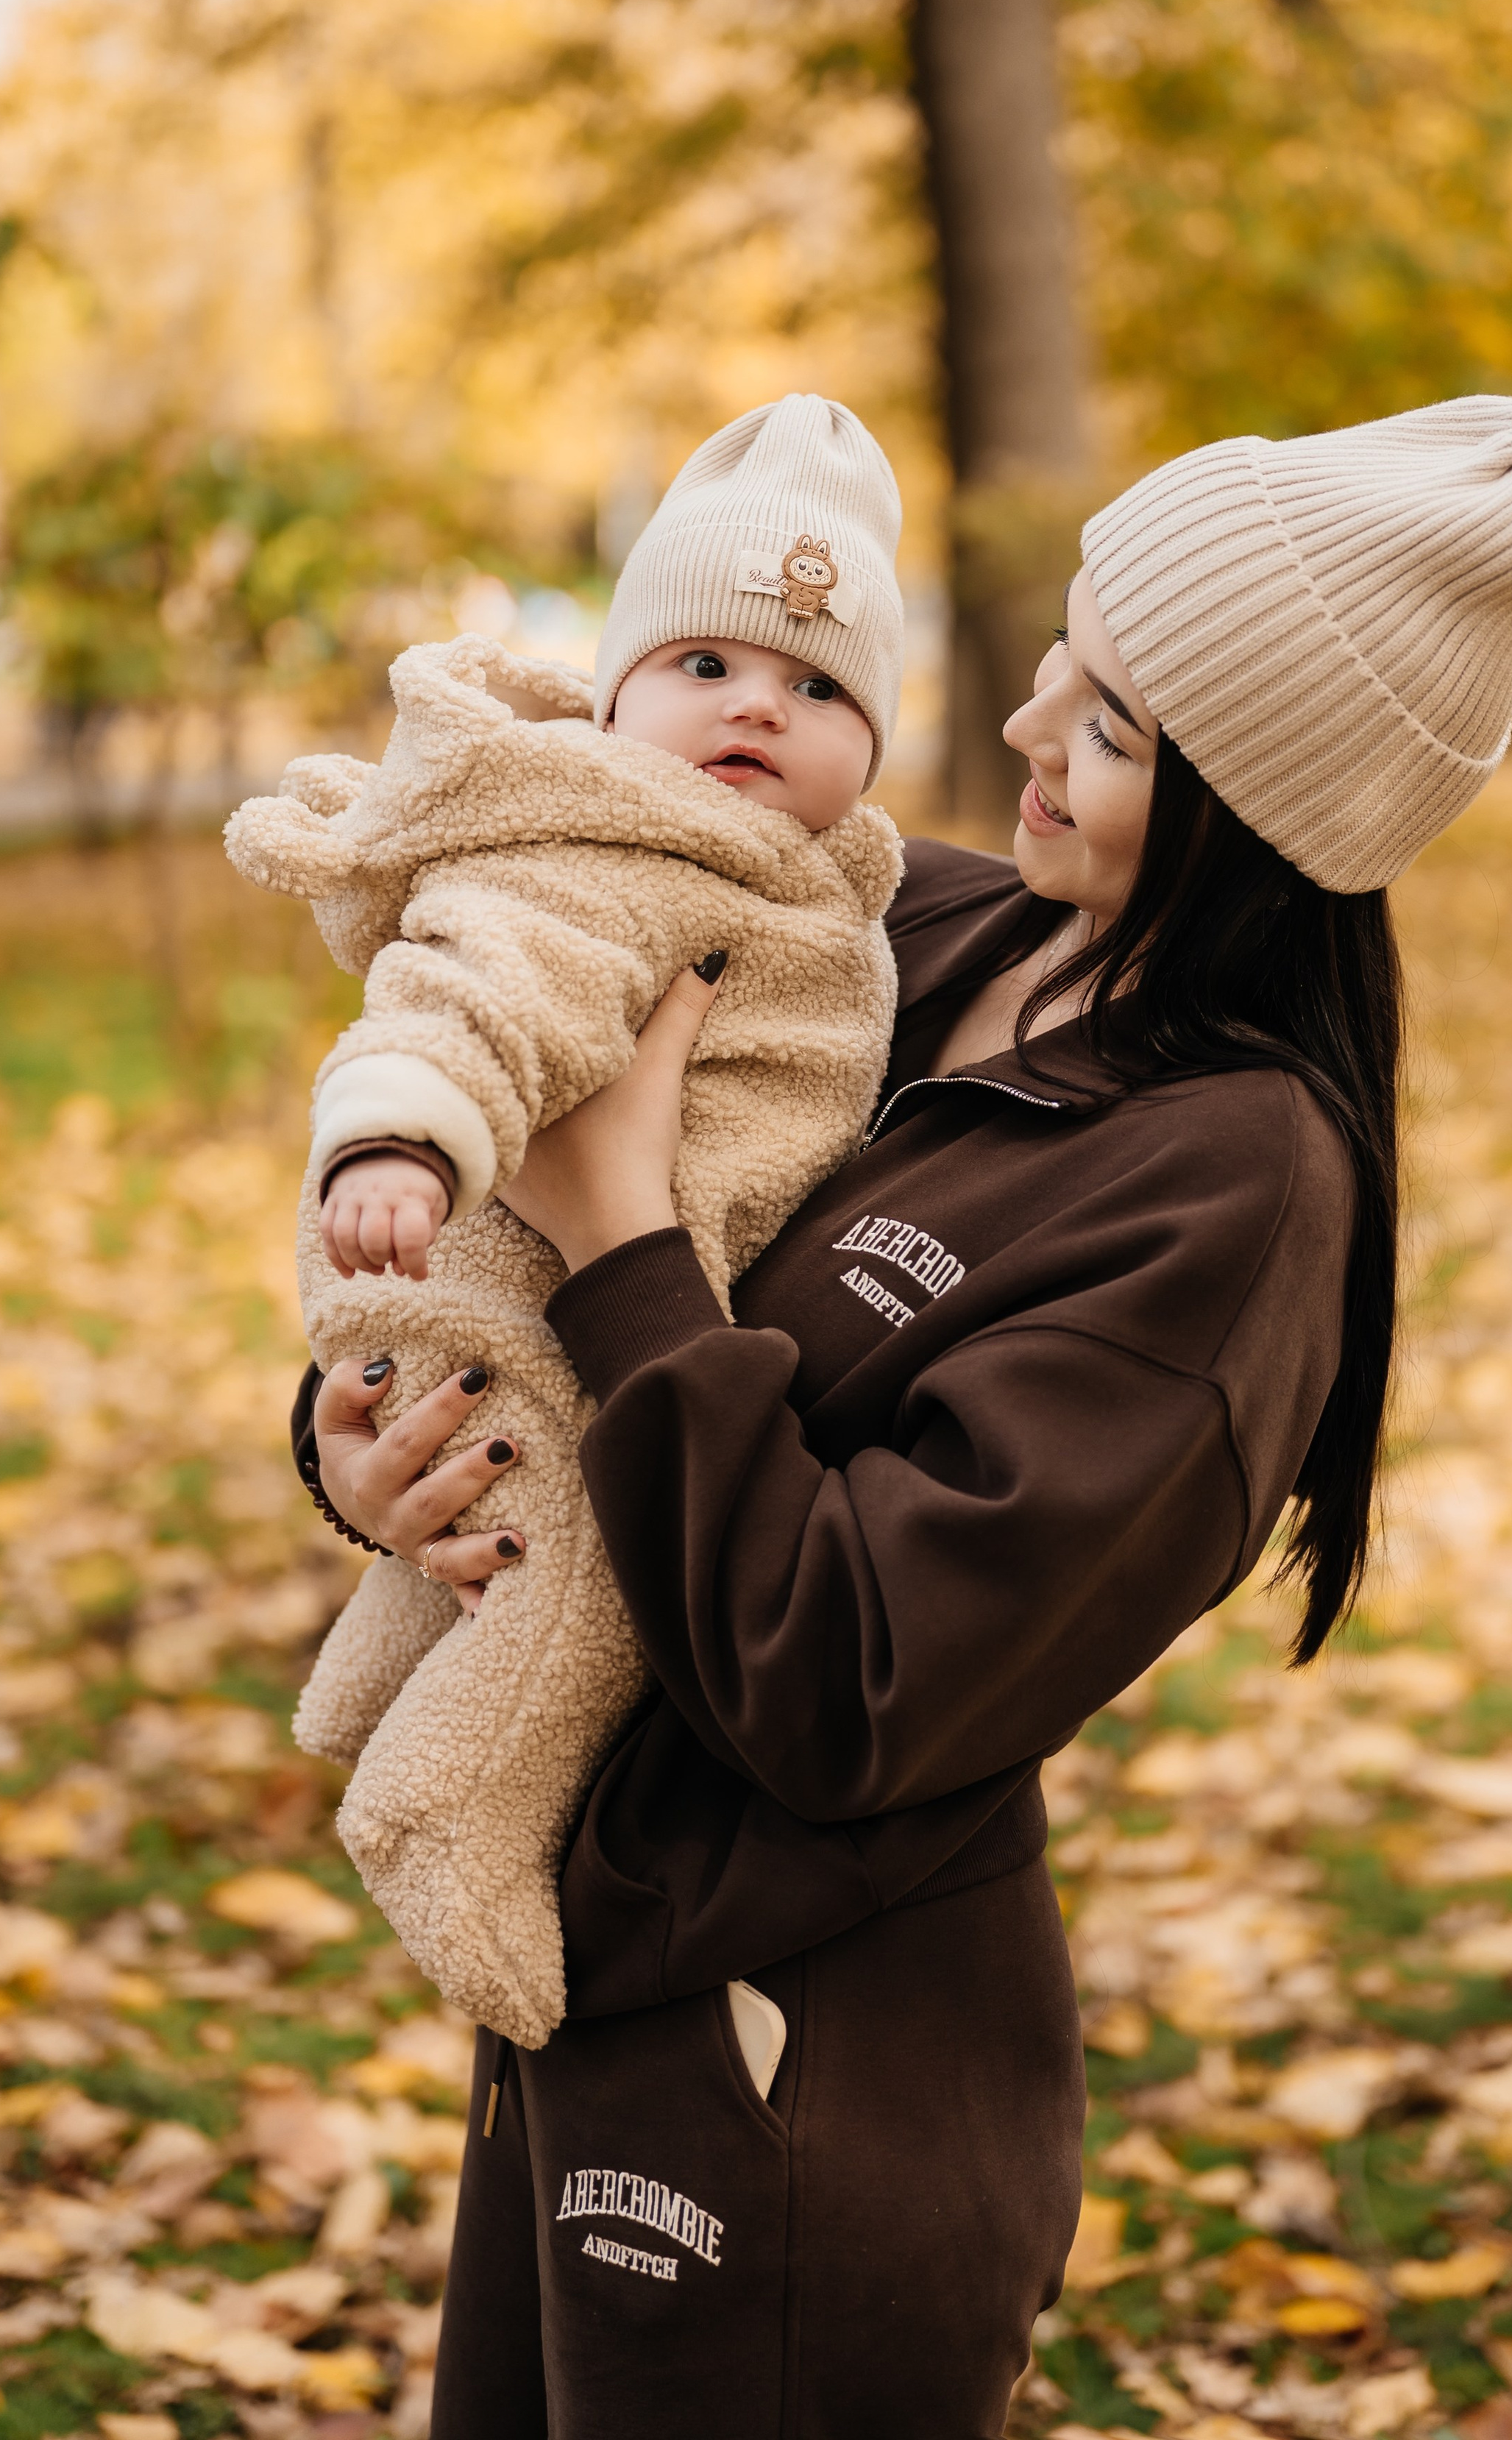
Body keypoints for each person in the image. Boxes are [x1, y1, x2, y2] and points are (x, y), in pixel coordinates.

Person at [296, 396, 1512, 2437]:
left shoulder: (1233, 1196)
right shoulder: (919, 930)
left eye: (1111, 727)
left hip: (803, 2058)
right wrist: (373, 1442)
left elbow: (857, 1685)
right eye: (1067, 656)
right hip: (589, 1967)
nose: (1023, 730)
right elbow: (516, 1167)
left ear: (1260, 812)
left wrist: (624, 1229)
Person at [235, 392, 909, 2048]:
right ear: (613, 695)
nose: (757, 705)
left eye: (817, 687)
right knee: (578, 1577)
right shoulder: (612, 847)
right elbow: (478, 986)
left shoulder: (810, 879)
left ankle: (371, 1682)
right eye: (705, 667)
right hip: (506, 1272)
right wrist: (398, 1132)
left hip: (583, 1294)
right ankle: (440, 1815)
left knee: (481, 1534)